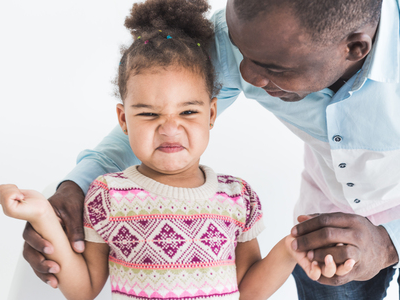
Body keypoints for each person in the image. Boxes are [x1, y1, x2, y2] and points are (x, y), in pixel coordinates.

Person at [22, 0, 400, 299]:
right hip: (328, 214)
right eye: (239, 52)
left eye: (273, 68)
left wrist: (388, 242)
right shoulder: (253, 33)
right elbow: (148, 115)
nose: (245, 76)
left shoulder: (236, 199)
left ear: (354, 48)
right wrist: (71, 190)